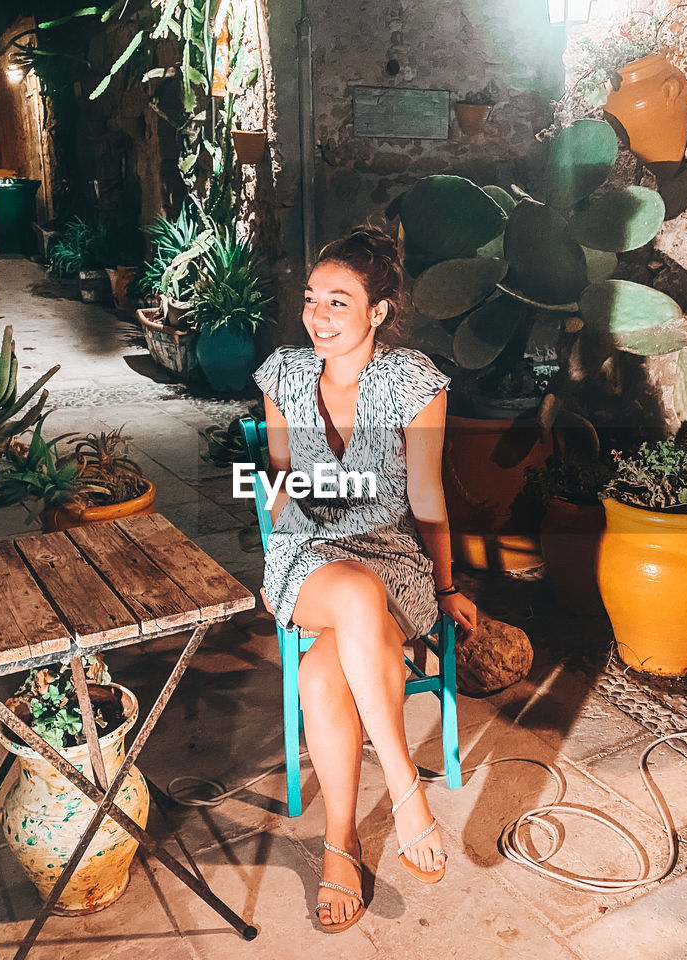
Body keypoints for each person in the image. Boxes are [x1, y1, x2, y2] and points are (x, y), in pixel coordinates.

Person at [252, 223, 477, 933]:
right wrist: (285, 522)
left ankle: (339, 845)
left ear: (377, 312)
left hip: (391, 559)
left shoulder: (412, 382)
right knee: (347, 592)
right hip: (308, 558)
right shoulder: (285, 375)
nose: (318, 316)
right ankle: (408, 790)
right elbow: (285, 483)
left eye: (339, 302)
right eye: (313, 299)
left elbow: (427, 498)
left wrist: (445, 588)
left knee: (324, 674)